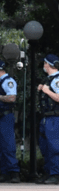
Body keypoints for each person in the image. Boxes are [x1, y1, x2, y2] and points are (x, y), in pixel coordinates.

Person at [36, 54, 59, 184]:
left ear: (48, 64)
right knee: (45, 146)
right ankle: (49, 172)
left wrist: (47, 91)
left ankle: (56, 174)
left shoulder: (57, 80)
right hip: (46, 118)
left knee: (54, 146)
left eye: (44, 63)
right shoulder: (49, 79)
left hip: (55, 118)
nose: (43, 66)